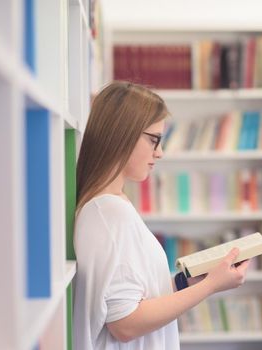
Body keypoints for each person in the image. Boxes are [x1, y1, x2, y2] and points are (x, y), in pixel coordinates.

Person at [73, 81, 250, 349]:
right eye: (154, 139)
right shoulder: (108, 212)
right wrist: (210, 286)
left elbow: (135, 295)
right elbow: (125, 323)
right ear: (123, 133)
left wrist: (185, 282)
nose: (160, 152)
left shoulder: (113, 205)